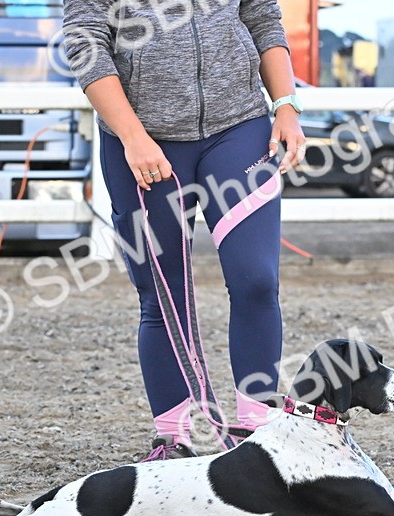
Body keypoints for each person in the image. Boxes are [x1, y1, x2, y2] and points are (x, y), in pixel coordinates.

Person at [62, 0, 305, 458]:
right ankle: (177, 437)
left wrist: (286, 104)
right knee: (164, 296)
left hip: (239, 127)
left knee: (257, 280)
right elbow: (87, 44)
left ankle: (260, 430)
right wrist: (133, 137)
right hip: (143, 141)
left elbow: (261, 18)